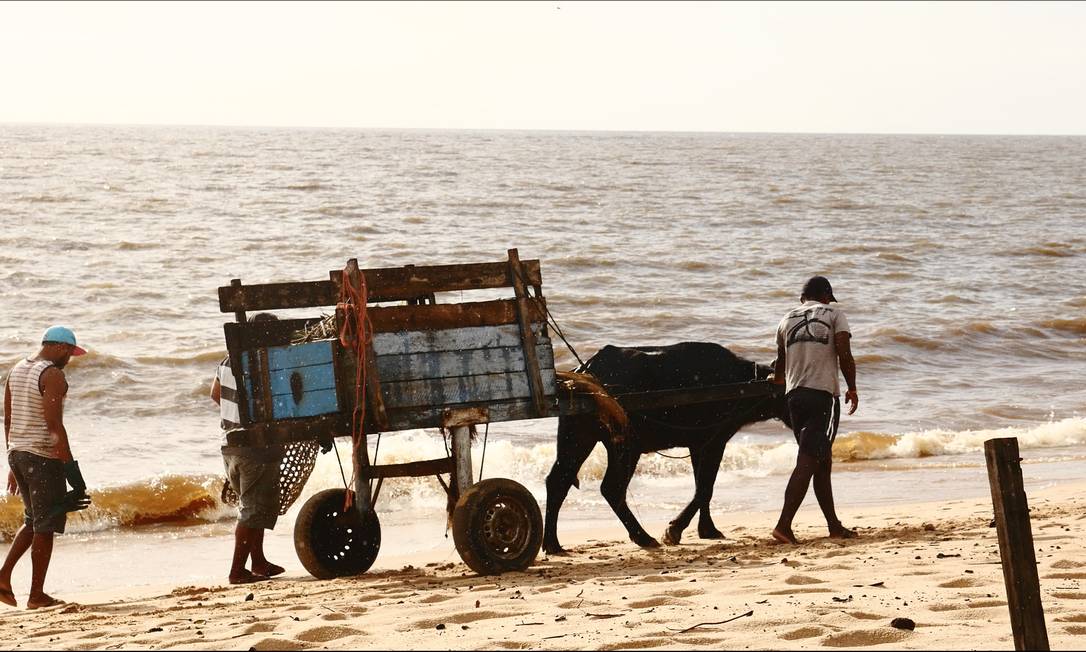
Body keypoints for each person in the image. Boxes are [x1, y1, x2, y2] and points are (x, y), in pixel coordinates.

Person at [1, 326, 91, 609]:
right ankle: (37, 596)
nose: (69, 359)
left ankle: (3, 578)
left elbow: (8, 419)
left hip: (18, 453)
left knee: (33, 520)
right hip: (41, 457)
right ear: (61, 348)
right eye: (70, 354)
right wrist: (71, 469)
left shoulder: (16, 369)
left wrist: (12, 460)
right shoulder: (52, 374)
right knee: (46, 524)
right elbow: (54, 426)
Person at [770, 276, 859, 545]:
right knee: (809, 459)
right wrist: (852, 388)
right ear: (825, 296)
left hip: (794, 398)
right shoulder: (835, 314)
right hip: (822, 396)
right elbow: (844, 353)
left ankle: (834, 525)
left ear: (802, 298)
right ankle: (783, 525)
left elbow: (780, 367)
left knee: (821, 459)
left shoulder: (786, 319)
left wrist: (775, 382)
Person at [210, 312, 285, 584]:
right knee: (253, 510)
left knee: (256, 505)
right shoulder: (264, 363)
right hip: (254, 448)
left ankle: (259, 562)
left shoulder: (227, 361)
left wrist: (237, 417)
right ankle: (237, 571)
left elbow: (215, 394)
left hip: (230, 445)